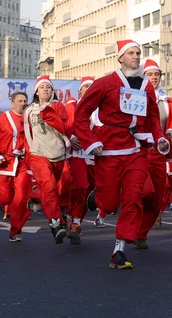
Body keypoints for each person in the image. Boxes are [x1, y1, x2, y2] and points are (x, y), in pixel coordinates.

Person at [74, 39, 170, 269]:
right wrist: (90, 140)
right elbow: (81, 114)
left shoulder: (147, 85)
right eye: (131, 53)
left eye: (139, 52)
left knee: (134, 197)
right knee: (109, 202)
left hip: (136, 148)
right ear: (120, 58)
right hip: (108, 148)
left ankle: (119, 249)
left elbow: (153, 118)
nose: (136, 57)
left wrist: (160, 138)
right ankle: (97, 197)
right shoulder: (106, 83)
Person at [135, 59, 172, 249]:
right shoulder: (135, 96)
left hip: (159, 153)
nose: (153, 77)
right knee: (144, 191)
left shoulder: (167, 101)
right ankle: (130, 216)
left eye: (156, 74)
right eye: (149, 74)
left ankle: (141, 234)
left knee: (158, 198)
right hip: (139, 151)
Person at [24, 76, 71, 244]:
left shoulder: (58, 106)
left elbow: (64, 127)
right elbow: (27, 133)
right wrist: (30, 156)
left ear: (52, 91)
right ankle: (56, 224)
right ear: (36, 91)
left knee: (52, 189)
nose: (45, 89)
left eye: (48, 87)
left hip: (58, 154)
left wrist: (49, 112)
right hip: (38, 155)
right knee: (49, 187)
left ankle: (35, 196)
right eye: (42, 87)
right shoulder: (29, 110)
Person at [0, 91, 33, 242]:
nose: (23, 103)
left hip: (23, 163)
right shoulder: (2, 118)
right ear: (12, 103)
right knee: (5, 198)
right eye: (19, 100)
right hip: (4, 163)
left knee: (21, 199)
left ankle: (15, 231)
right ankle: (8, 207)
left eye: (25, 100)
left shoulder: (31, 119)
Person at [67, 76, 97, 244]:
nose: (88, 90)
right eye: (85, 87)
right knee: (81, 184)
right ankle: (71, 215)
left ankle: (76, 223)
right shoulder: (72, 106)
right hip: (77, 153)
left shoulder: (101, 109)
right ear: (80, 91)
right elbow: (66, 124)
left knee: (89, 193)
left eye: (91, 87)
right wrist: (70, 137)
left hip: (95, 156)